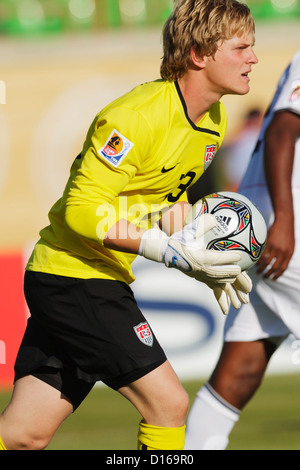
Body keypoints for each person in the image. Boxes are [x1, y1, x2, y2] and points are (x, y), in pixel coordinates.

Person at [0, 0, 257, 451]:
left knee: (23, 435)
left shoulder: (212, 123)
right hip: (72, 277)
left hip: (94, 277)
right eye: (240, 48)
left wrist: (203, 255)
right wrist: (167, 252)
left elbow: (161, 203)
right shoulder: (135, 117)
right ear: (198, 54)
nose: (253, 58)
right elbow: (81, 209)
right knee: (169, 406)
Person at [185, 49, 300, 450]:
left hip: (263, 231)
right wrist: (285, 220)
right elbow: (285, 126)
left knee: (239, 373)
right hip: (290, 228)